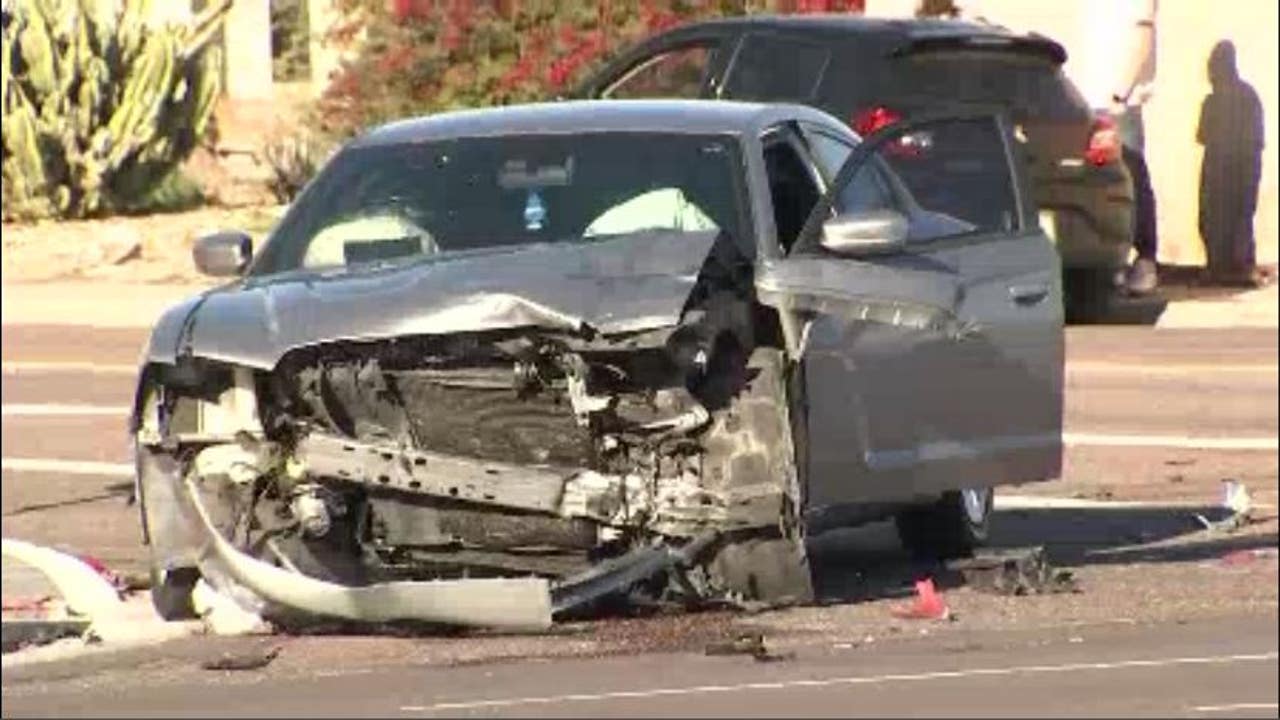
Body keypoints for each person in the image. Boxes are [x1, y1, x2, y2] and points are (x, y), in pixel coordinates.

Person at [1197, 40, 1266, 287]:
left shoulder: (1214, 101)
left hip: (1223, 169)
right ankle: (1237, 268)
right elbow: (1258, 140)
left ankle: (1224, 268)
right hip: (1243, 169)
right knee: (1238, 219)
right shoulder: (1249, 95)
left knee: (1220, 219)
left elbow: (1202, 136)